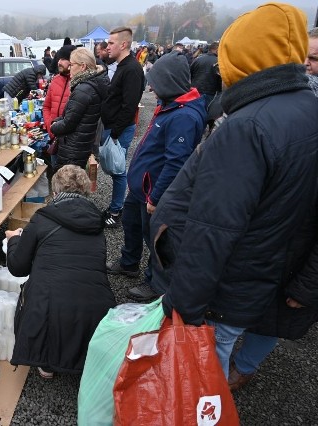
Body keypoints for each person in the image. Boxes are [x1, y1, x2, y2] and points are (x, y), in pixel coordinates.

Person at [150, 2, 318, 378]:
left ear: (241, 56)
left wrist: (184, 306)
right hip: (258, 272)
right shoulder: (306, 105)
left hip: (223, 287)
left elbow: (213, 228)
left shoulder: (248, 126)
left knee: (202, 370)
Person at [226, 26, 318, 392]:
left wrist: (310, 284)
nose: (308, 68)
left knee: (272, 318)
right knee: (242, 312)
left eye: (316, 60)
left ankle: (244, 367)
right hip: (261, 246)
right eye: (304, 59)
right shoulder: (274, 113)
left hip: (297, 254)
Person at [108, 52, 205, 302]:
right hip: (141, 189)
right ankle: (129, 263)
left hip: (153, 194)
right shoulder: (170, 105)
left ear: (169, 82)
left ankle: (155, 282)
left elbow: (176, 163)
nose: (151, 87)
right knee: (130, 224)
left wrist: (156, 196)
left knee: (155, 239)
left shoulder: (184, 116)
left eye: (155, 82)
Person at [5, 165, 117, 378]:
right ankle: (85, 357)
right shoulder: (97, 225)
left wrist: (14, 240)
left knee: (41, 290)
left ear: (55, 193)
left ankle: (46, 362)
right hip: (95, 308)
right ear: (86, 192)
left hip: (50, 308)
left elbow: (18, 268)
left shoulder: (42, 219)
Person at [100, 27, 144, 227]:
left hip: (120, 130)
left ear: (123, 44)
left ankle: (116, 212)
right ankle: (114, 207)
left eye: (110, 43)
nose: (107, 47)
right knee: (115, 169)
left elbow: (129, 105)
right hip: (113, 127)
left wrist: (115, 134)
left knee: (118, 171)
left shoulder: (132, 69)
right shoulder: (122, 65)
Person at [50, 47, 109, 171]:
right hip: (81, 145)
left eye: (72, 64)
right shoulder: (92, 84)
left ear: (82, 67)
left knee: (67, 185)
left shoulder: (83, 89)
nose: (70, 68)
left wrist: (53, 126)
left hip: (73, 149)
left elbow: (68, 123)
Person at [43, 45, 76, 168]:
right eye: (59, 58)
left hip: (69, 143)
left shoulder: (79, 84)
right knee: (56, 175)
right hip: (54, 139)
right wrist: (49, 126)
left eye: (63, 59)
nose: (59, 62)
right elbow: (46, 106)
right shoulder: (55, 81)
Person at [190, 41, 222, 110]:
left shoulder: (198, 59)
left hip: (194, 92)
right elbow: (220, 81)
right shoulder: (219, 62)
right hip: (210, 94)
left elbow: (190, 74)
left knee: (193, 111)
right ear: (217, 50)